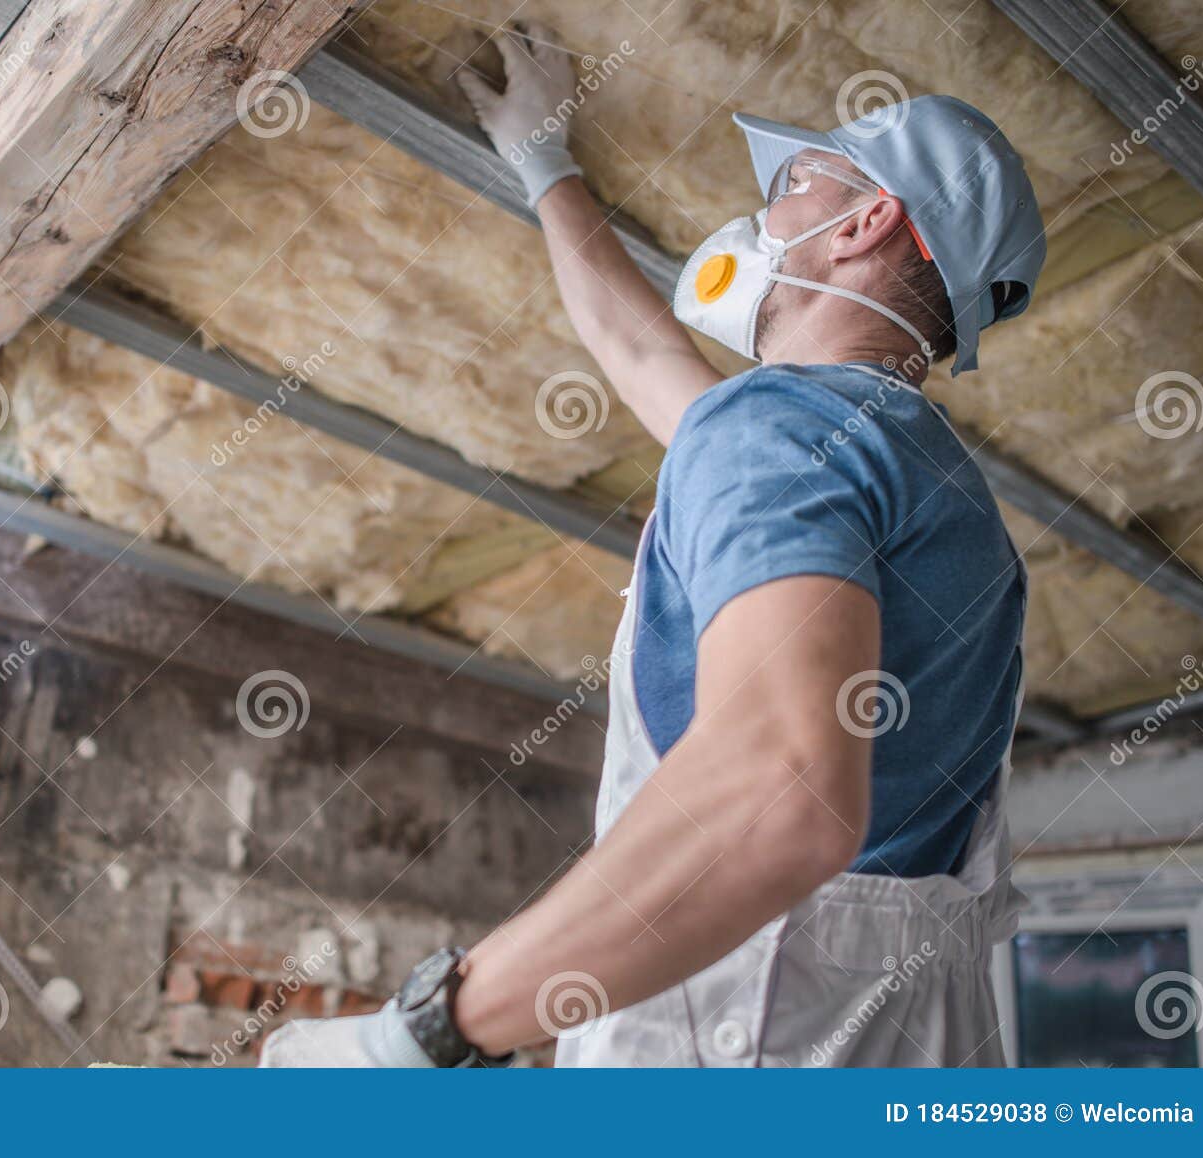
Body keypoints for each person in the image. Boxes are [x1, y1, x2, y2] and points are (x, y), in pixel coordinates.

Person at [262, 21, 1045, 1068]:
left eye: (798, 182)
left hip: (741, 1038)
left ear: (865, 224)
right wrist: (544, 163)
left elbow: (781, 798)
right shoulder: (940, 500)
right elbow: (636, 353)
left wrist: (421, 1036)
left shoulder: (778, 429)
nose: (760, 210)